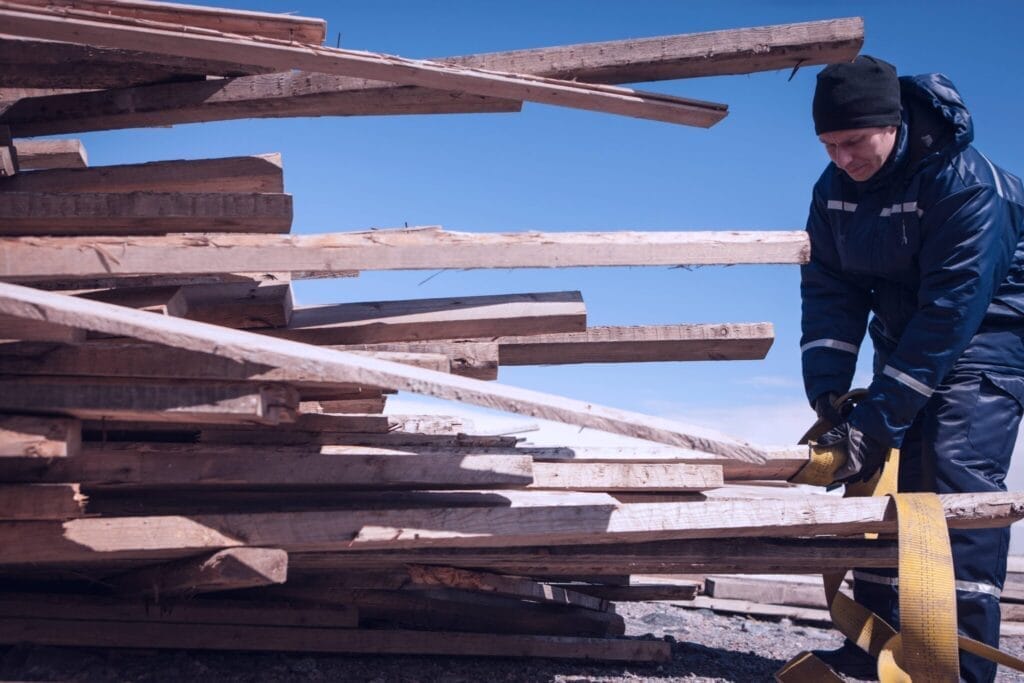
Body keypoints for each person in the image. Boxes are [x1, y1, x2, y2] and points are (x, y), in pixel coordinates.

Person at [801, 55, 1024, 682]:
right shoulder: (833, 191)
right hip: (906, 338)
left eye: (853, 141)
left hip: (986, 340)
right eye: (828, 144)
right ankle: (875, 650)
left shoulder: (967, 184)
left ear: (893, 124)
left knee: (953, 488)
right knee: (880, 484)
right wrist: (830, 396)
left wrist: (880, 418)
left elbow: (954, 310)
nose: (842, 158)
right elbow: (829, 291)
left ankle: (954, 668)